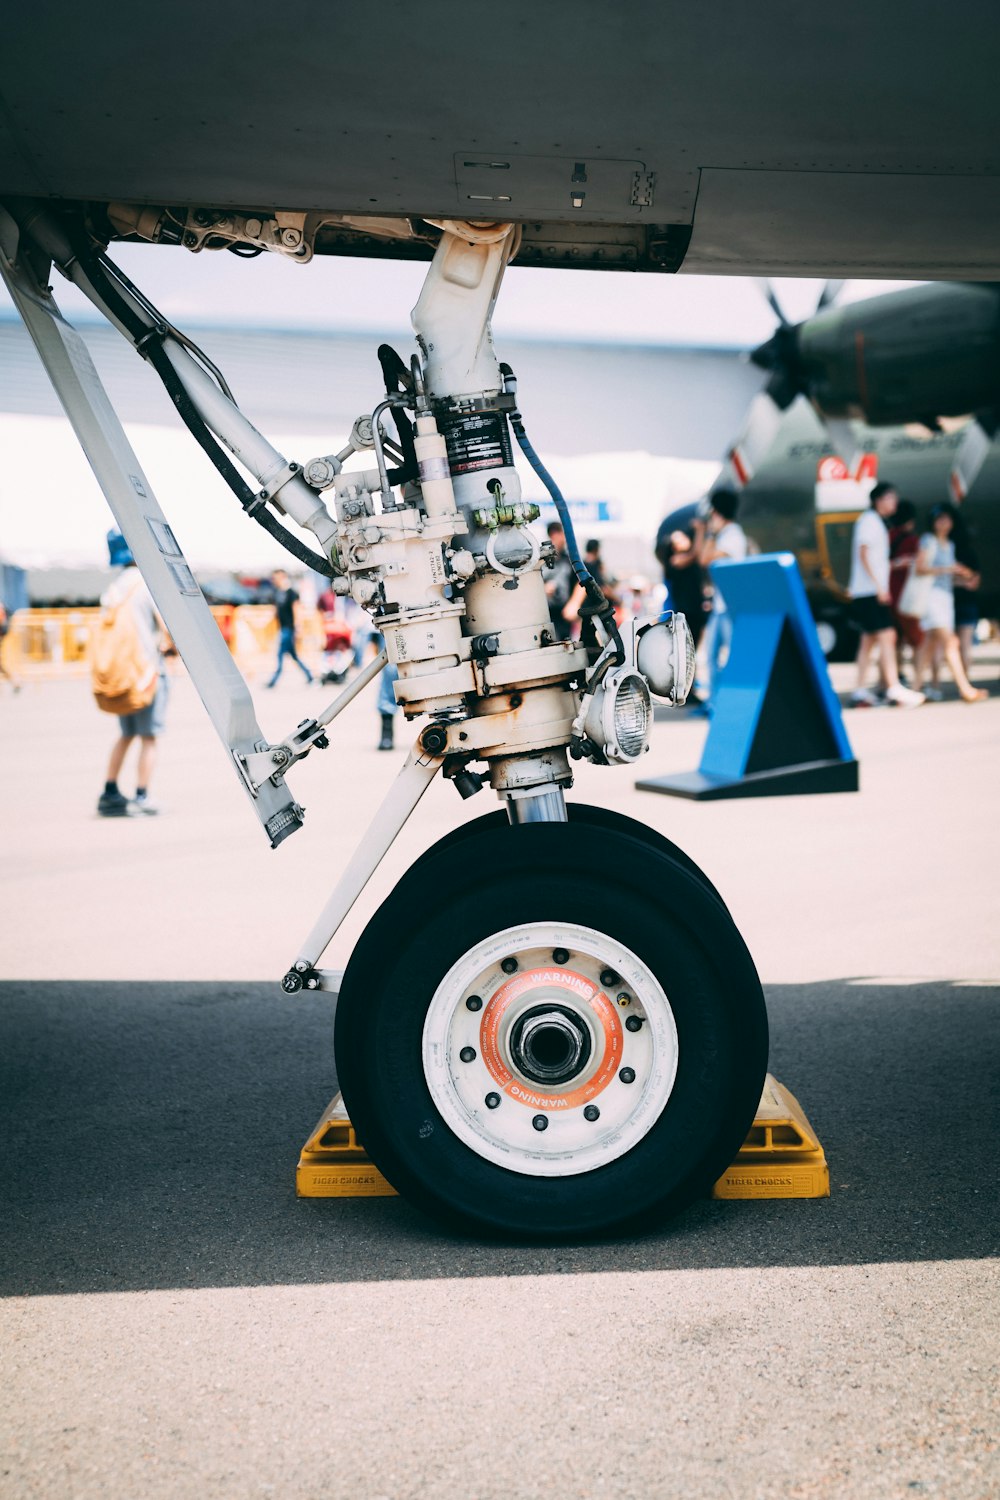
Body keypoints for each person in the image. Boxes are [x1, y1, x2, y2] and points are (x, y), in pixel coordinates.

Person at [96, 531, 168, 816]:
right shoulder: (145, 584)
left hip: (122, 675)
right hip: (148, 674)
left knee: (125, 734)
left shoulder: (113, 589)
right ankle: (142, 795)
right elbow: (166, 630)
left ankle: (110, 790)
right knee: (149, 737)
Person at [848, 482, 924, 707]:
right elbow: (864, 555)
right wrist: (880, 588)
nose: (894, 502)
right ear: (878, 500)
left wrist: (893, 566)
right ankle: (892, 687)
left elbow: (871, 558)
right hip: (870, 591)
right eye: (891, 497)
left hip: (866, 590)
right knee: (888, 635)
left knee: (868, 640)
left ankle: (860, 690)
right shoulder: (870, 522)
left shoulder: (872, 522)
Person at [913, 505, 987, 703]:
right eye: (939, 519)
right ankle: (965, 688)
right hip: (932, 597)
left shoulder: (950, 545)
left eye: (947, 519)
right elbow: (920, 569)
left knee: (929, 644)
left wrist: (963, 578)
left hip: (945, 597)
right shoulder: (928, 541)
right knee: (951, 642)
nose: (943, 523)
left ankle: (915, 689)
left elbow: (947, 577)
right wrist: (948, 569)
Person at [696, 490, 748, 709]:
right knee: (712, 656)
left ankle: (730, 700)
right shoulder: (727, 534)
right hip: (721, 605)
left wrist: (709, 534)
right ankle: (714, 702)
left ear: (717, 512)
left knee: (732, 655)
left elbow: (704, 559)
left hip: (730, 605)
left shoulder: (733, 535)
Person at [564, 538, 619, 657]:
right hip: (595, 613)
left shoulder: (579, 565)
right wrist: (617, 598)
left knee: (580, 641)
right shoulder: (593, 566)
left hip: (582, 613)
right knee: (602, 645)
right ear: (597, 550)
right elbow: (602, 588)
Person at [888, 499, 924, 679]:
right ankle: (919, 679)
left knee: (895, 640)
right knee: (917, 640)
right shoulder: (912, 540)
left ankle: (897, 675)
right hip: (907, 597)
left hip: (888, 595)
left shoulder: (887, 536)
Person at [265, 568, 313, 687]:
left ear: (282, 577)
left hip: (289, 628)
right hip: (283, 628)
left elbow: (296, 610)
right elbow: (277, 610)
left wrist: (298, 627)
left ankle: (274, 680)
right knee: (294, 656)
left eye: (275, 578)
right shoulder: (278, 593)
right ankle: (309, 676)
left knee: (280, 654)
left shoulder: (292, 593)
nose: (273, 581)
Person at [541, 522, 575, 642]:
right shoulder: (542, 559)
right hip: (547, 613)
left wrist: (574, 603)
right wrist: (543, 588)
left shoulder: (569, 560)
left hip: (564, 613)